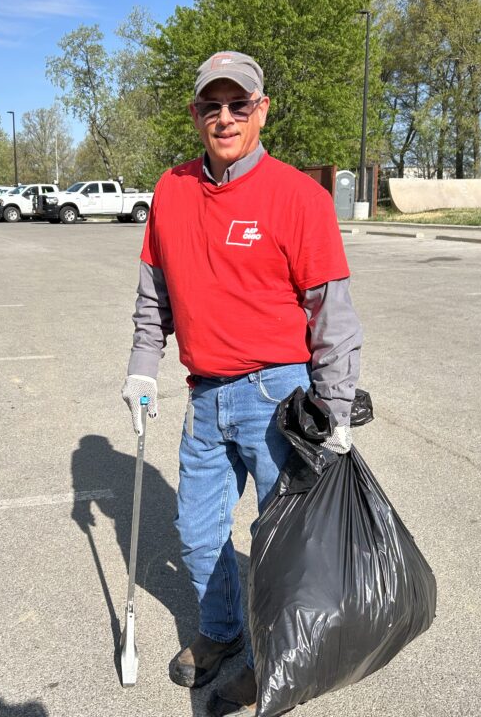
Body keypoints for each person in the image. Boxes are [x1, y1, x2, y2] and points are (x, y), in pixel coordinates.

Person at [122, 51, 362, 716]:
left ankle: (267, 661)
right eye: (211, 105)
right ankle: (224, 629)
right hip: (205, 395)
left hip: (275, 395)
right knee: (197, 532)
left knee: (278, 543)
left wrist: (335, 409)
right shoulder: (171, 190)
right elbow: (153, 296)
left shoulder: (298, 197)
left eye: (238, 104)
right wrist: (143, 366)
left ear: (262, 110)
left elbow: (332, 314)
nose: (224, 118)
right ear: (195, 113)